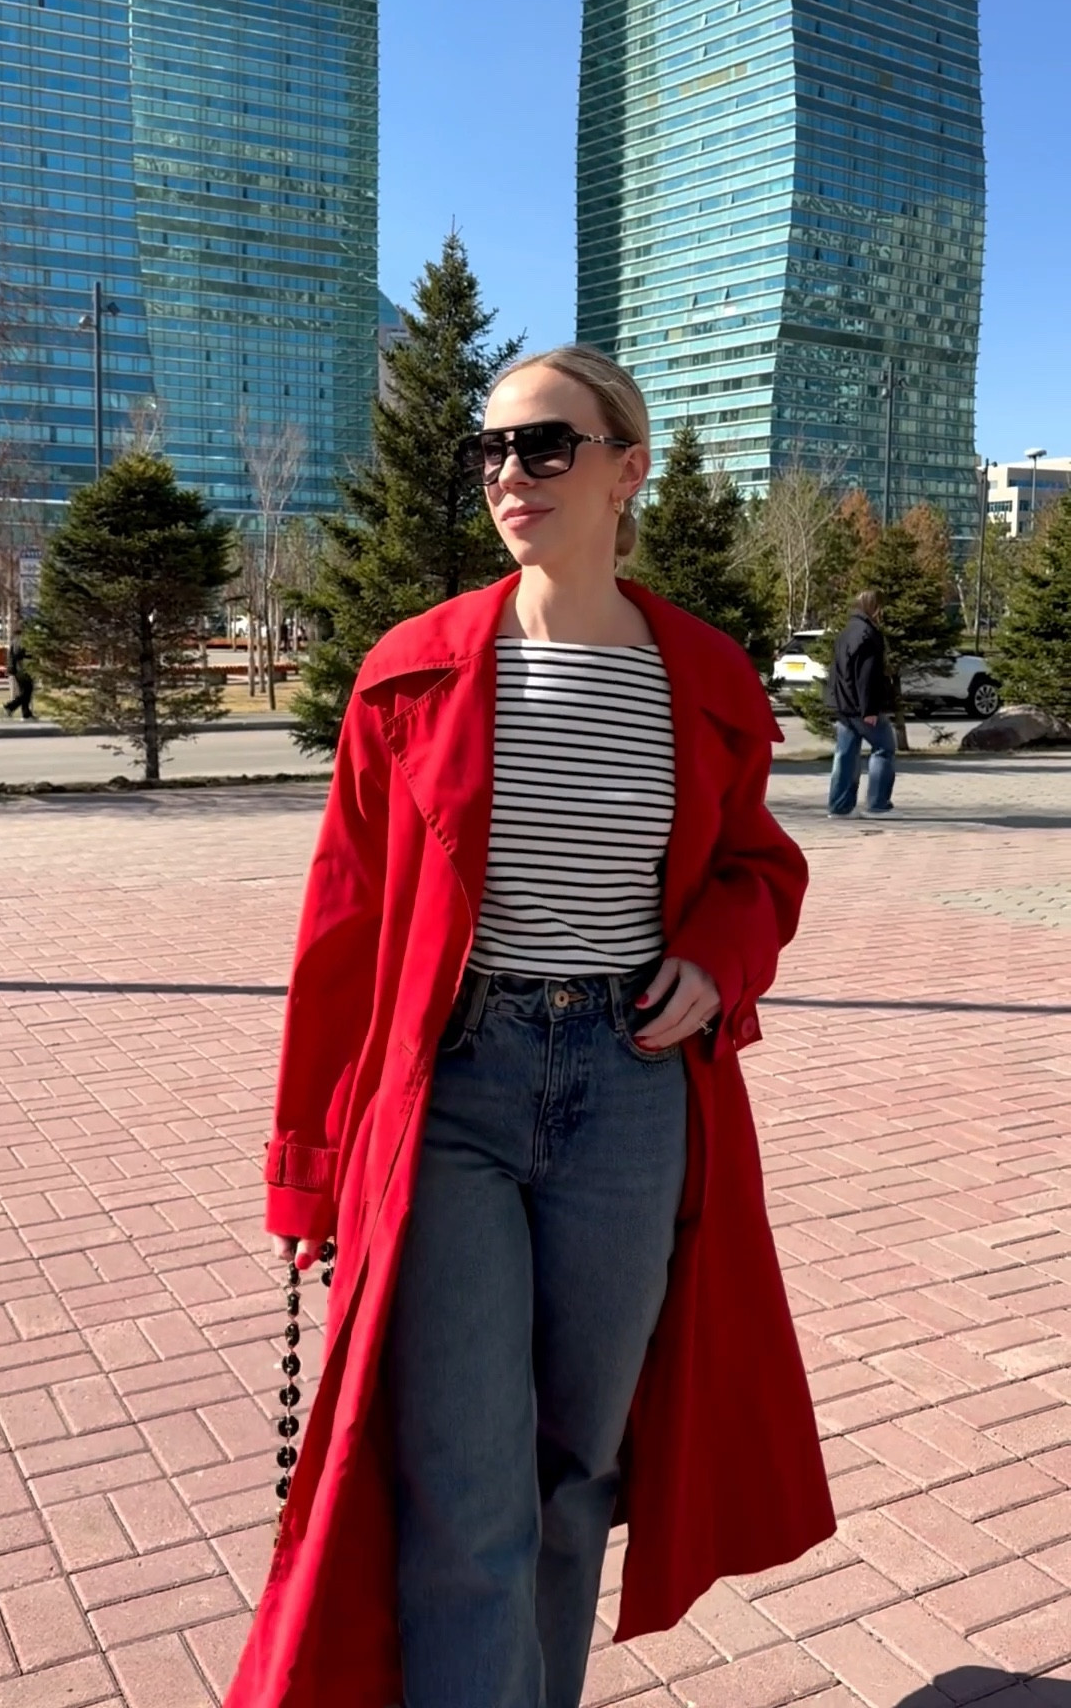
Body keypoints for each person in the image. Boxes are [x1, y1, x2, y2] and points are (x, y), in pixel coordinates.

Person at [226, 346, 834, 1708]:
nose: (511, 473)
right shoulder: (416, 671)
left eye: (547, 445)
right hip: (455, 1100)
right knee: (465, 1489)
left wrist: (718, 963)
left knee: (576, 1481)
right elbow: (338, 940)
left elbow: (759, 869)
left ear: (628, 469)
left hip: (630, 1096)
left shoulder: (706, 677)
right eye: (492, 448)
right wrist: (306, 1173)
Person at [827, 590, 896, 817]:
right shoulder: (868, 635)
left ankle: (840, 806)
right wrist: (869, 709)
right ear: (874, 607)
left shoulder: (846, 632)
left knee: (845, 753)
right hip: (860, 705)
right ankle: (878, 804)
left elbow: (838, 671)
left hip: (844, 704)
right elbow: (867, 676)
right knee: (884, 746)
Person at [2, 635, 35, 721]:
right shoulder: (23, 640)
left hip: (17, 668)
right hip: (21, 668)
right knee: (27, 690)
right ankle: (9, 707)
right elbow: (19, 654)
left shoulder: (16, 639)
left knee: (24, 691)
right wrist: (31, 656)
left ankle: (26, 713)